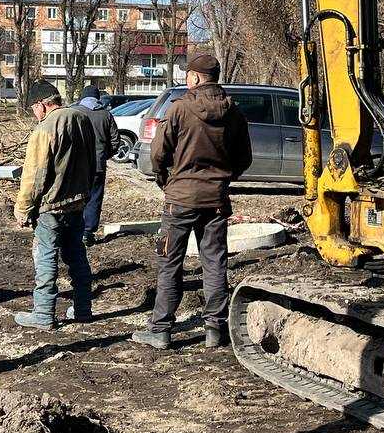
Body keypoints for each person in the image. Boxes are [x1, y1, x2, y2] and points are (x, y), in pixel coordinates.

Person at [133, 53, 251, 351]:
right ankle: (215, 329)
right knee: (214, 262)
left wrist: (166, 180)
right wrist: (222, 180)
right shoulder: (234, 112)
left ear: (196, 78)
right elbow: (244, 158)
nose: (186, 81)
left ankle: (161, 330)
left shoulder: (179, 108)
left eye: (188, 76)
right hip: (216, 201)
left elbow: (158, 152)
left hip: (180, 200)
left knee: (170, 262)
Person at [14, 81, 97, 330]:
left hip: (51, 206)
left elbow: (34, 174)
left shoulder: (46, 127)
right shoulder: (82, 119)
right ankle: (83, 309)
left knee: (47, 257)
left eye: (33, 108)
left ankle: (43, 314)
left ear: (42, 104)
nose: (33, 113)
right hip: (77, 202)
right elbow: (94, 161)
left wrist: (23, 208)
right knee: (77, 256)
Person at [73, 85, 119, 246]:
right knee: (94, 197)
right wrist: (105, 155)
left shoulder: (75, 113)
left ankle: (74, 231)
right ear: (98, 98)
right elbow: (115, 141)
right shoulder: (106, 115)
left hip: (77, 166)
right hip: (98, 165)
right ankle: (88, 232)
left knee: (75, 197)